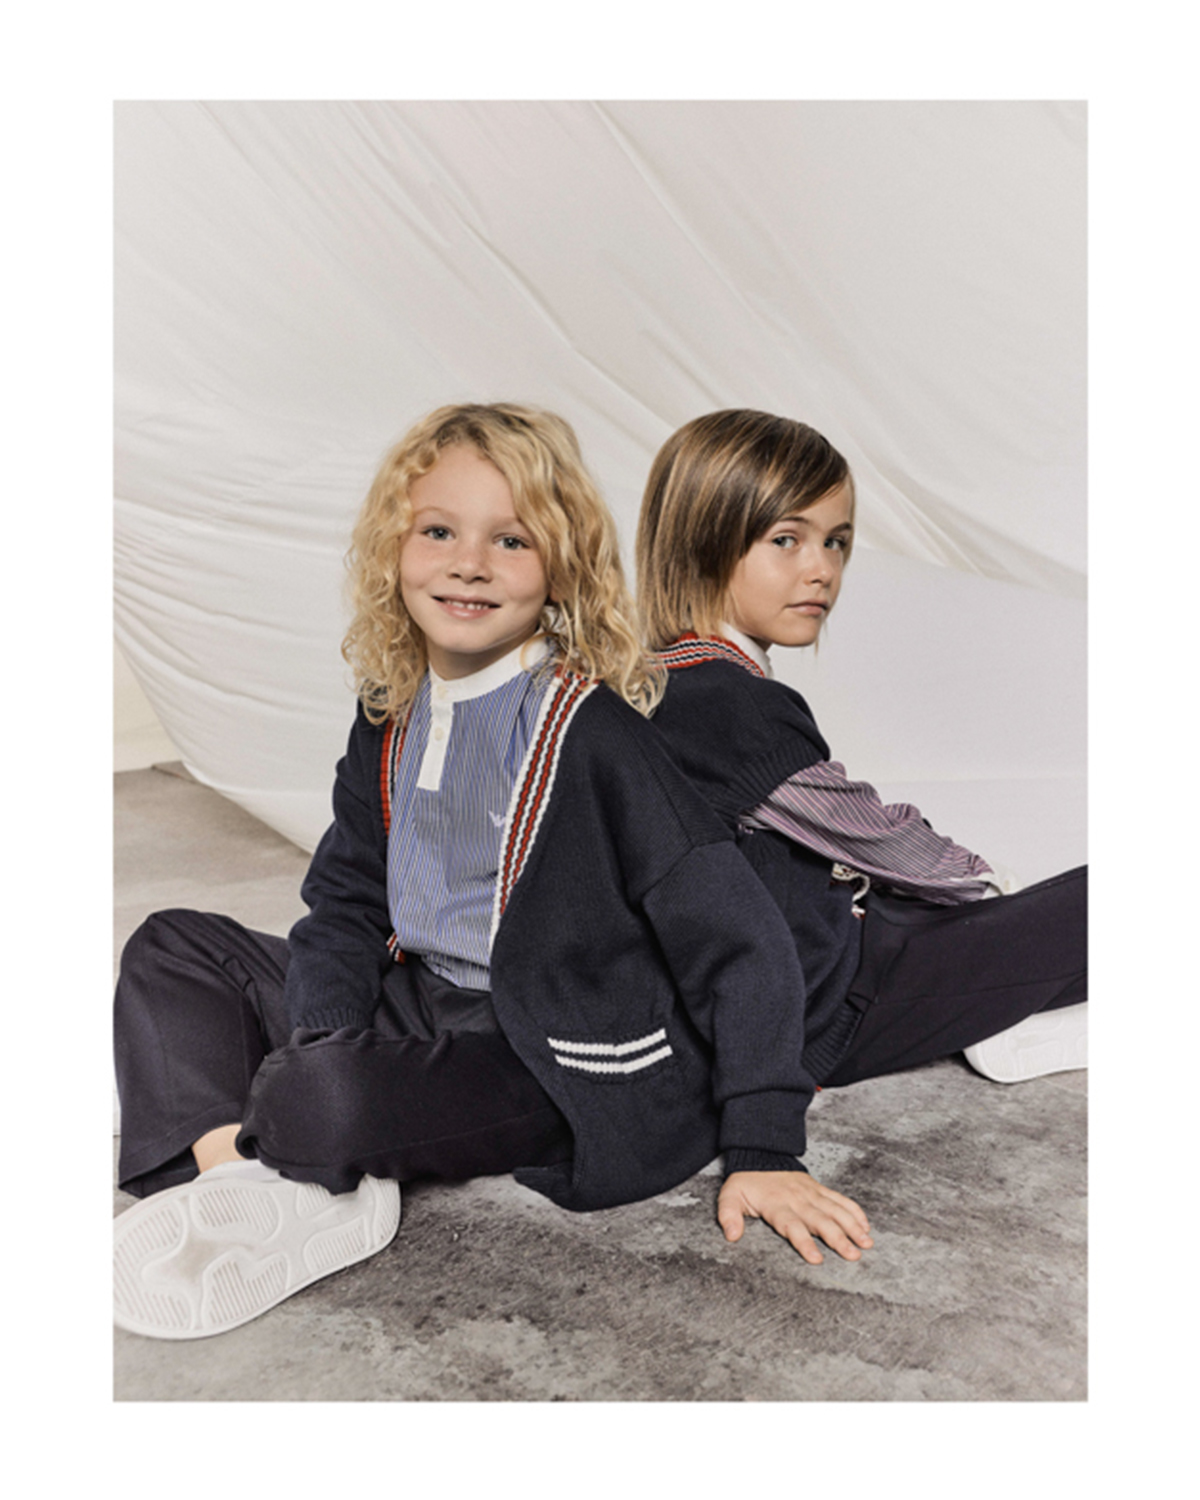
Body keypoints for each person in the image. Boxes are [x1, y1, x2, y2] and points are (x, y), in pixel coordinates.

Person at [113, 402, 874, 1342]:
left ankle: (298, 1140)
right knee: (173, 948)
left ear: (561, 567)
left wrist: (764, 1143)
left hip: (553, 1051)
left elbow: (741, 937)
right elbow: (346, 901)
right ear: (393, 548)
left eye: (510, 541)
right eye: (438, 531)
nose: (468, 563)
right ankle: (246, 1180)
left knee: (316, 1096)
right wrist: (324, 1035)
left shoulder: (592, 732)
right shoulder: (392, 709)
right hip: (422, 995)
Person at [635, 407, 1087, 1204]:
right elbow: (874, 835)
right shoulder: (726, 703)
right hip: (840, 1003)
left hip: (841, 945)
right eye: (787, 539)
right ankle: (1014, 1012)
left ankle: (1018, 991)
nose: (821, 570)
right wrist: (987, 883)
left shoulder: (663, 680)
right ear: (703, 538)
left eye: (836, 542)